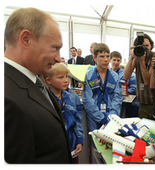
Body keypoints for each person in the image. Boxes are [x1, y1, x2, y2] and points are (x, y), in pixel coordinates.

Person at [2, 7, 72, 164]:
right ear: (26, 39)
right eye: (55, 48)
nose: (58, 59)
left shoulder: (30, 80)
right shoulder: (5, 98)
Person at [44, 63, 84, 161]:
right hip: (54, 145)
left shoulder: (72, 97)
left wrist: (79, 140)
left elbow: (77, 121)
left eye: (67, 76)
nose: (66, 80)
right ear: (48, 80)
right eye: (60, 77)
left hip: (71, 142)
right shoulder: (45, 99)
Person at [82, 43, 122, 132]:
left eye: (108, 56)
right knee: (96, 144)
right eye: (102, 56)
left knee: (110, 144)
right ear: (95, 58)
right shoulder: (89, 76)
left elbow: (117, 98)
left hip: (111, 118)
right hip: (94, 118)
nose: (106, 60)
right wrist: (101, 118)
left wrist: (112, 118)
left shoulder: (115, 76)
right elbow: (87, 100)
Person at [124, 33, 155, 119]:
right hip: (142, 101)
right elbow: (126, 76)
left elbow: (147, 81)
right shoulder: (137, 57)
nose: (144, 48)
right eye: (141, 46)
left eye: (147, 45)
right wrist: (131, 57)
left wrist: (141, 62)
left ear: (151, 45)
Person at [110, 51, 140, 117]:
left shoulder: (127, 74)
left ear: (120, 61)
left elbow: (134, 88)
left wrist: (124, 92)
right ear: (110, 60)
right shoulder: (108, 73)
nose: (116, 62)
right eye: (114, 60)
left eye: (118, 60)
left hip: (124, 100)